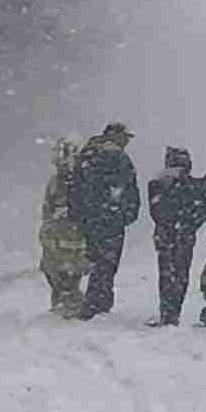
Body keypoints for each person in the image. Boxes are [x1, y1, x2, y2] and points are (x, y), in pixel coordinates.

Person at [146, 146, 206, 326]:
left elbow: (201, 185)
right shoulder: (181, 183)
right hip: (182, 235)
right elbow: (202, 185)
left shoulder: (157, 183)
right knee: (179, 275)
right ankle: (171, 315)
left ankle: (168, 315)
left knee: (168, 275)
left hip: (168, 236)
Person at [69, 121, 140, 320]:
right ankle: (97, 306)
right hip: (110, 220)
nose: (127, 141)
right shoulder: (117, 157)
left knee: (94, 260)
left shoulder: (87, 153)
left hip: (89, 219)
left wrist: (78, 214)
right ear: (116, 135)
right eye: (125, 136)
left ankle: (89, 302)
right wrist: (127, 215)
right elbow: (129, 189)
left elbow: (74, 186)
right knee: (106, 264)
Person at [38, 138, 89, 318]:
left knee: (68, 270)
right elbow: (47, 207)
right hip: (58, 234)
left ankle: (69, 302)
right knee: (55, 269)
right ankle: (64, 301)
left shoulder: (77, 180)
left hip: (70, 234)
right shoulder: (56, 181)